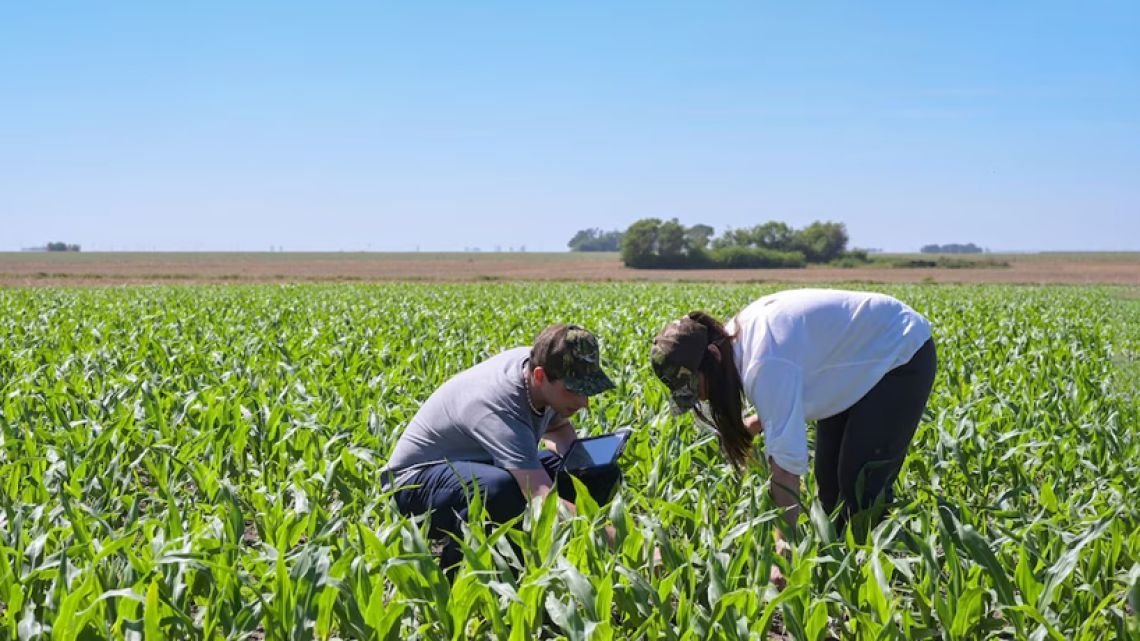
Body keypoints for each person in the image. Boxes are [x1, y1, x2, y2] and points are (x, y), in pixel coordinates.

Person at [650, 288, 937, 572]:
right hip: (849, 360)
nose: (701, 398)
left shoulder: (763, 362)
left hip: (899, 352)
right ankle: (840, 571)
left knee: (860, 484)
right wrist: (760, 420)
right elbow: (790, 379)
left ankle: (875, 580)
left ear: (712, 356)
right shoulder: (734, 344)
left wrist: (783, 547)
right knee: (829, 483)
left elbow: (786, 467)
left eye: (697, 387)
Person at [382, 323, 621, 571]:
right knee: (498, 490)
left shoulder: (542, 368)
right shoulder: (499, 406)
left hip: (483, 466)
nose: (584, 402)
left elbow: (558, 430)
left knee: (596, 470)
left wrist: (586, 467)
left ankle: (570, 559)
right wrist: (623, 541)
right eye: (574, 390)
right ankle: (460, 576)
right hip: (412, 485)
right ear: (539, 376)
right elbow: (542, 497)